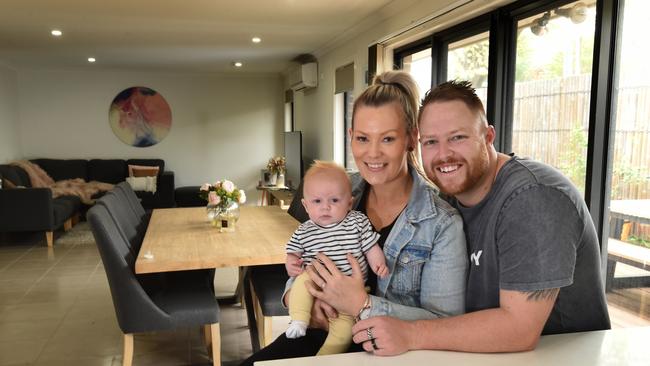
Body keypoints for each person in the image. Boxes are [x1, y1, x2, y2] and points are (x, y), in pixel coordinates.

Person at [347, 80, 611, 355]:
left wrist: (410, 333)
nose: (444, 154)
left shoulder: (533, 197)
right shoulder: (449, 199)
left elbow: (520, 330)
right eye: (432, 142)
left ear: (488, 136)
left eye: (457, 137)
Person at [239, 71, 468, 365]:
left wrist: (362, 304)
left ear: (411, 138)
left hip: (385, 353)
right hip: (318, 334)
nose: (372, 153)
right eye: (362, 138)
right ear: (350, 138)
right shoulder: (337, 192)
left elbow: (445, 322)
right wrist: (304, 300)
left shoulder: (441, 224)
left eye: (387, 138)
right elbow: (304, 259)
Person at [284, 160, 388, 355]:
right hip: (315, 281)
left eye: (334, 201)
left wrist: (378, 263)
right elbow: (293, 253)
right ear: (306, 205)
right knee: (301, 283)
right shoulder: (304, 230)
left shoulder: (357, 221)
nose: (326, 207)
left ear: (349, 202)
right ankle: (299, 319)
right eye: (317, 201)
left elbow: (370, 246)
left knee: (344, 332)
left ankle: (326, 357)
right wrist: (292, 264)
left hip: (350, 291)